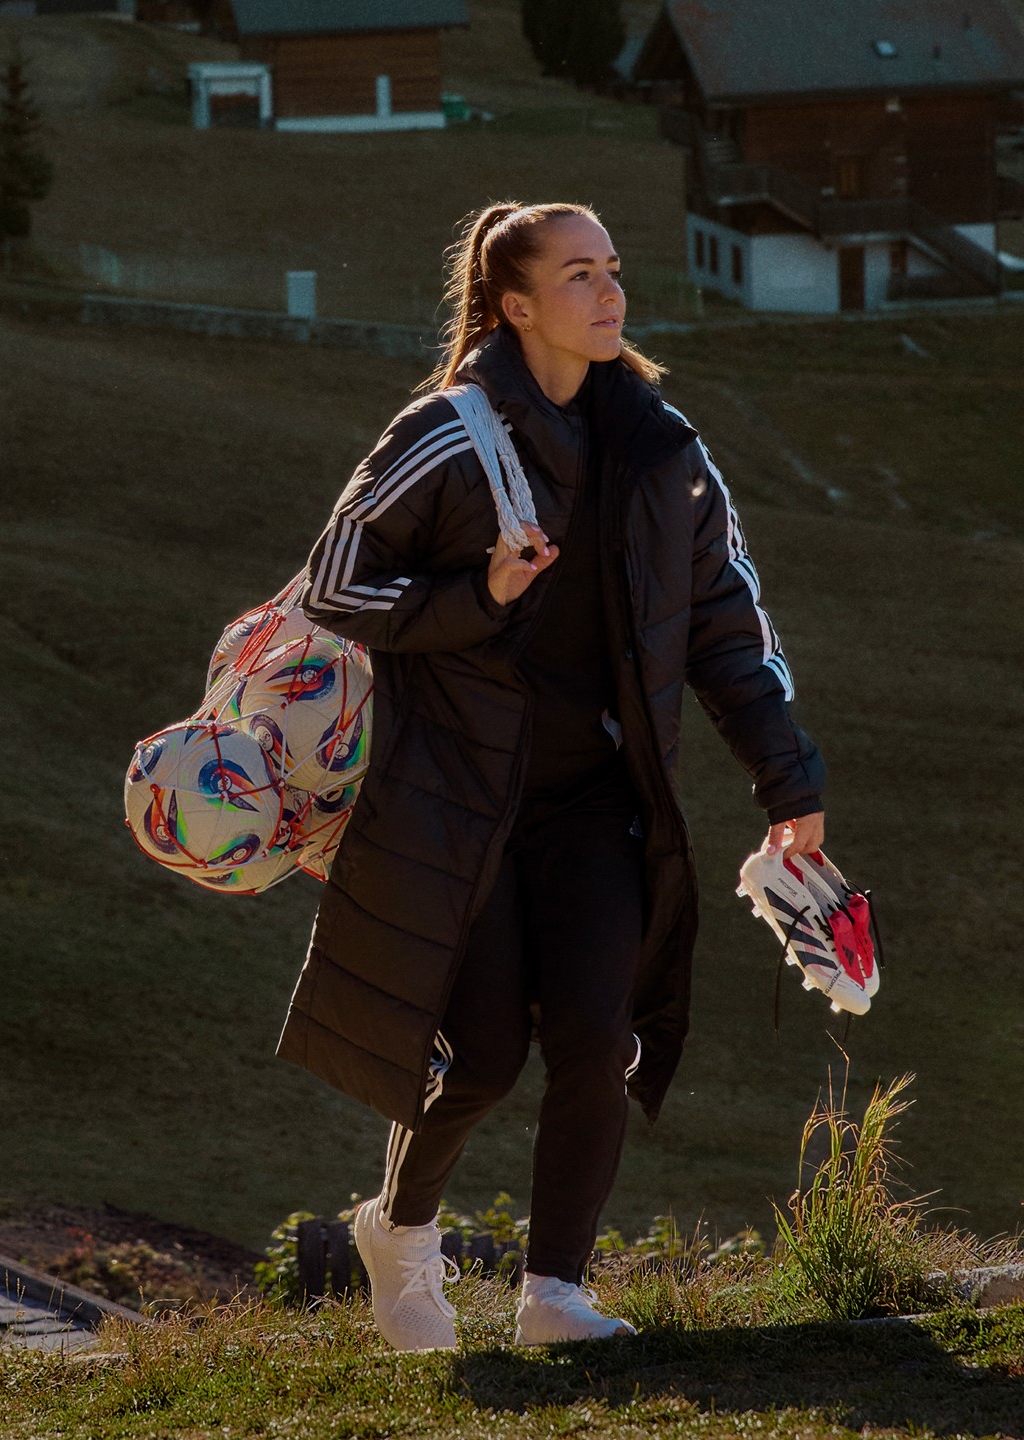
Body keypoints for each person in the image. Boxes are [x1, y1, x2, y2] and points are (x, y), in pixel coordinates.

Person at [276, 201, 827, 1350]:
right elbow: (333, 583)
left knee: (596, 1037)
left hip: (597, 808)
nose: (610, 294)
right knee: (476, 1058)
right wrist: (478, 600)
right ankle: (400, 1230)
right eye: (579, 276)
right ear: (514, 305)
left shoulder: (667, 454)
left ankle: (554, 1295)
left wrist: (788, 786)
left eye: (614, 271)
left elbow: (731, 629)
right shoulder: (446, 433)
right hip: (463, 805)